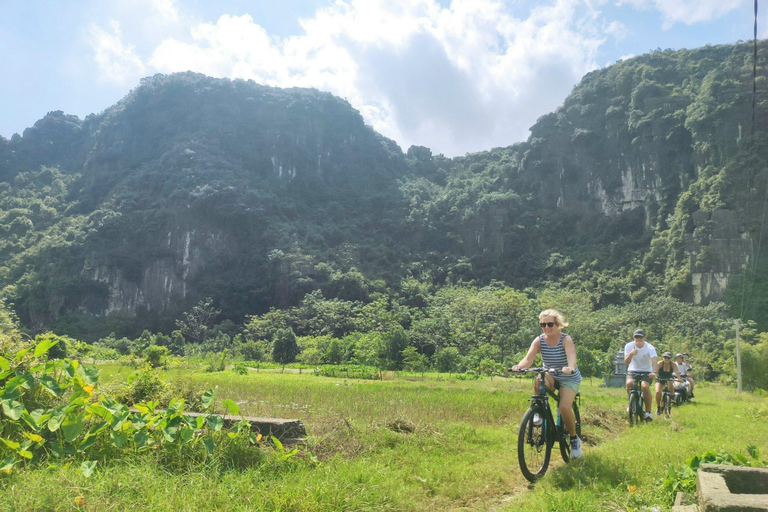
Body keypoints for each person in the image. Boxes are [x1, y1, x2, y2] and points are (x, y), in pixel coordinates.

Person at [511, 309, 583, 459]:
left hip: (568, 377)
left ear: (558, 325)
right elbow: (528, 359)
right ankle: (539, 412)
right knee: (539, 380)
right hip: (550, 373)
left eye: (550, 324)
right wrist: (519, 366)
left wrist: (569, 368)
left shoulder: (565, 339)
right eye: (543, 324)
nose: (546, 327)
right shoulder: (539, 340)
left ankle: (574, 439)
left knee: (564, 407)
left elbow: (572, 357)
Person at [624, 328, 657, 421]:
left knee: (645, 386)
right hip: (633, 370)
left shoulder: (650, 347)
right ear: (634, 338)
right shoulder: (629, 346)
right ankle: (631, 403)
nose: (638, 341)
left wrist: (654, 372)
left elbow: (654, 361)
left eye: (640, 339)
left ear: (644, 338)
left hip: (647, 371)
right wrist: (631, 354)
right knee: (629, 383)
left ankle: (648, 412)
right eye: (636, 339)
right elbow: (626, 362)